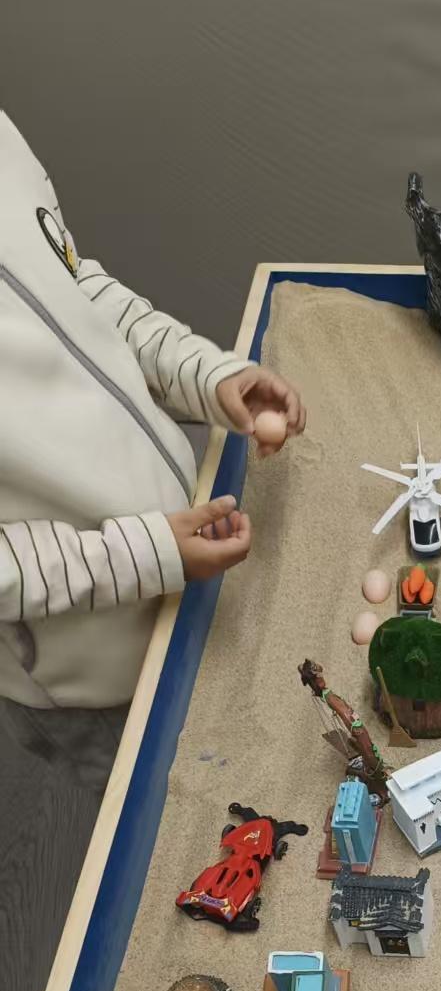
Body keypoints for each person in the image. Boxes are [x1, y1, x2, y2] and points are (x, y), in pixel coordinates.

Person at [0, 111, 306, 782]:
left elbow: (74, 284)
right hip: (94, 674)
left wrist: (206, 373)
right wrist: (144, 553)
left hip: (182, 557)